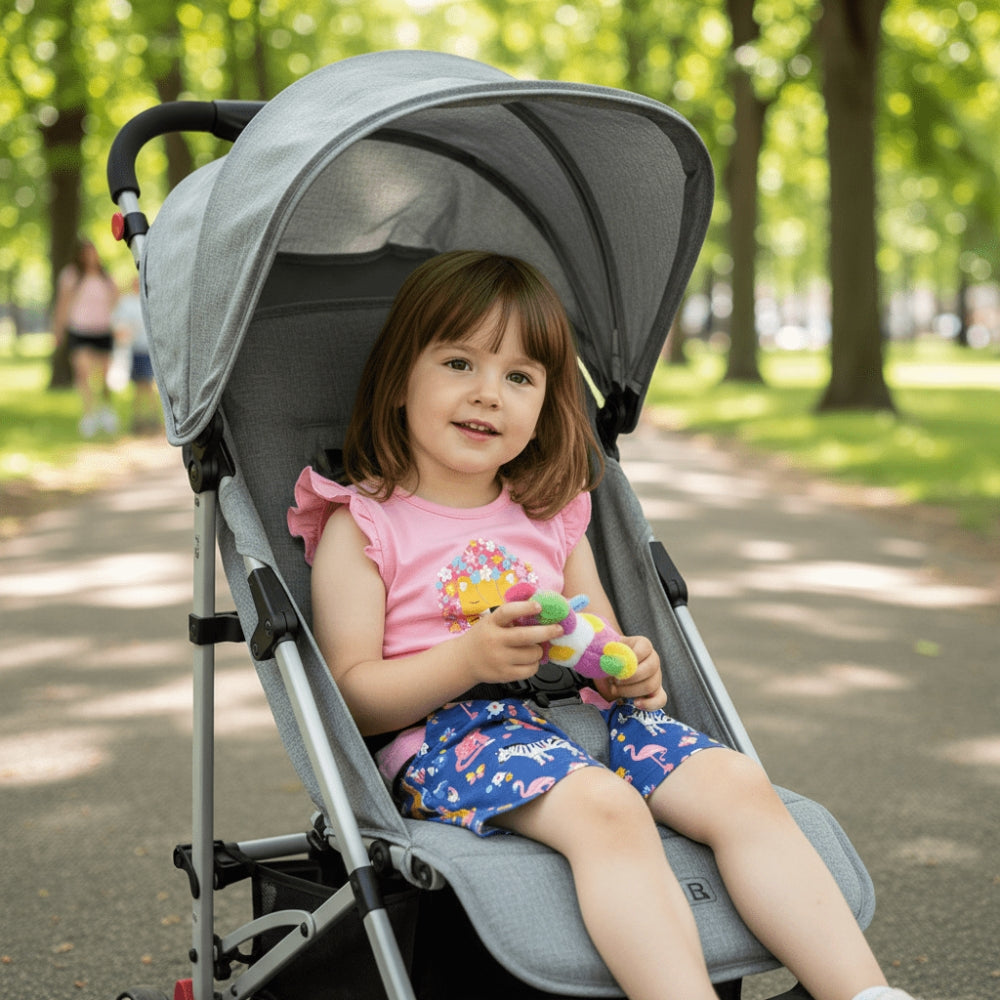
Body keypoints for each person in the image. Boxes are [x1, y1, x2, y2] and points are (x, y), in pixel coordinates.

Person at [288, 251, 915, 1000]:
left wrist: (630, 666)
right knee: (605, 807)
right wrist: (469, 657)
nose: (489, 395)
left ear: (549, 402)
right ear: (398, 380)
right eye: (460, 363)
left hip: (576, 720)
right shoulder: (362, 524)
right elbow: (352, 697)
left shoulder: (550, 512)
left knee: (739, 782)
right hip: (447, 737)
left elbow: (602, 645)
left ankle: (863, 992)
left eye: (520, 377)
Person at [52, 237, 120, 437]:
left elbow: (116, 302)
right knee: (83, 373)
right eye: (86, 252)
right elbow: (62, 306)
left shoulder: (105, 278)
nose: (90, 256)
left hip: (103, 331)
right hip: (80, 331)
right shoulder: (71, 276)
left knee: (104, 377)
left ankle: (106, 411)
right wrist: (58, 331)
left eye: (93, 252)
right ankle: (89, 414)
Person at [112, 274, 159, 434]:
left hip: (148, 349)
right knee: (139, 385)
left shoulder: (149, 301)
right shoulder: (127, 303)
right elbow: (119, 325)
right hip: (135, 349)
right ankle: (139, 419)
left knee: (149, 383)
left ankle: (152, 417)